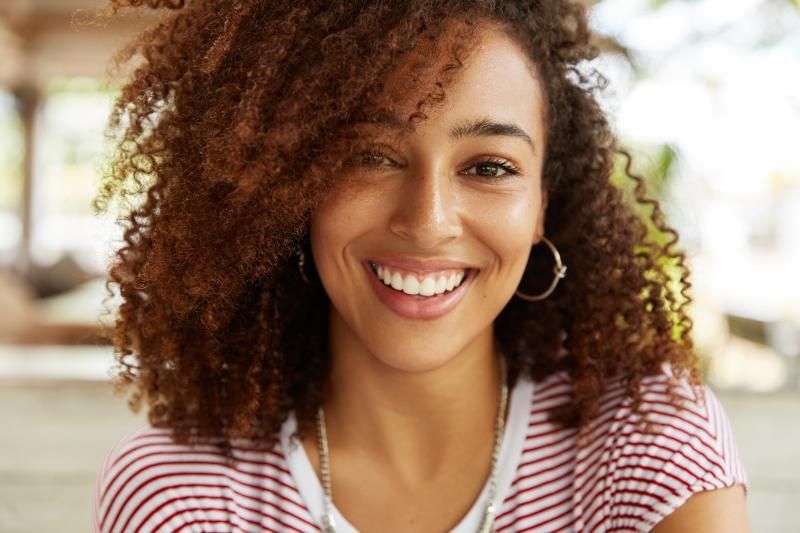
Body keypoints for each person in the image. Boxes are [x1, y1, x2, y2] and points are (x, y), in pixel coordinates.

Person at [92, 1, 750, 531]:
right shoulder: (181, 496)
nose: (429, 218)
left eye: (490, 167)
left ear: (543, 205)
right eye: (371, 156)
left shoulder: (648, 442)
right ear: (293, 186)